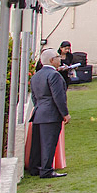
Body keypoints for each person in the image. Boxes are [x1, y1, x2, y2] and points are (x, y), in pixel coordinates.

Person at [27, 49, 69, 179]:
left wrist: (39, 107)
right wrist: (65, 113)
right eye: (57, 57)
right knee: (49, 143)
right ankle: (46, 170)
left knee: (38, 143)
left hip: (39, 112)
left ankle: (35, 168)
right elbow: (58, 97)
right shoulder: (54, 75)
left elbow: (34, 97)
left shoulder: (36, 76)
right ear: (52, 60)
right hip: (50, 113)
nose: (60, 59)